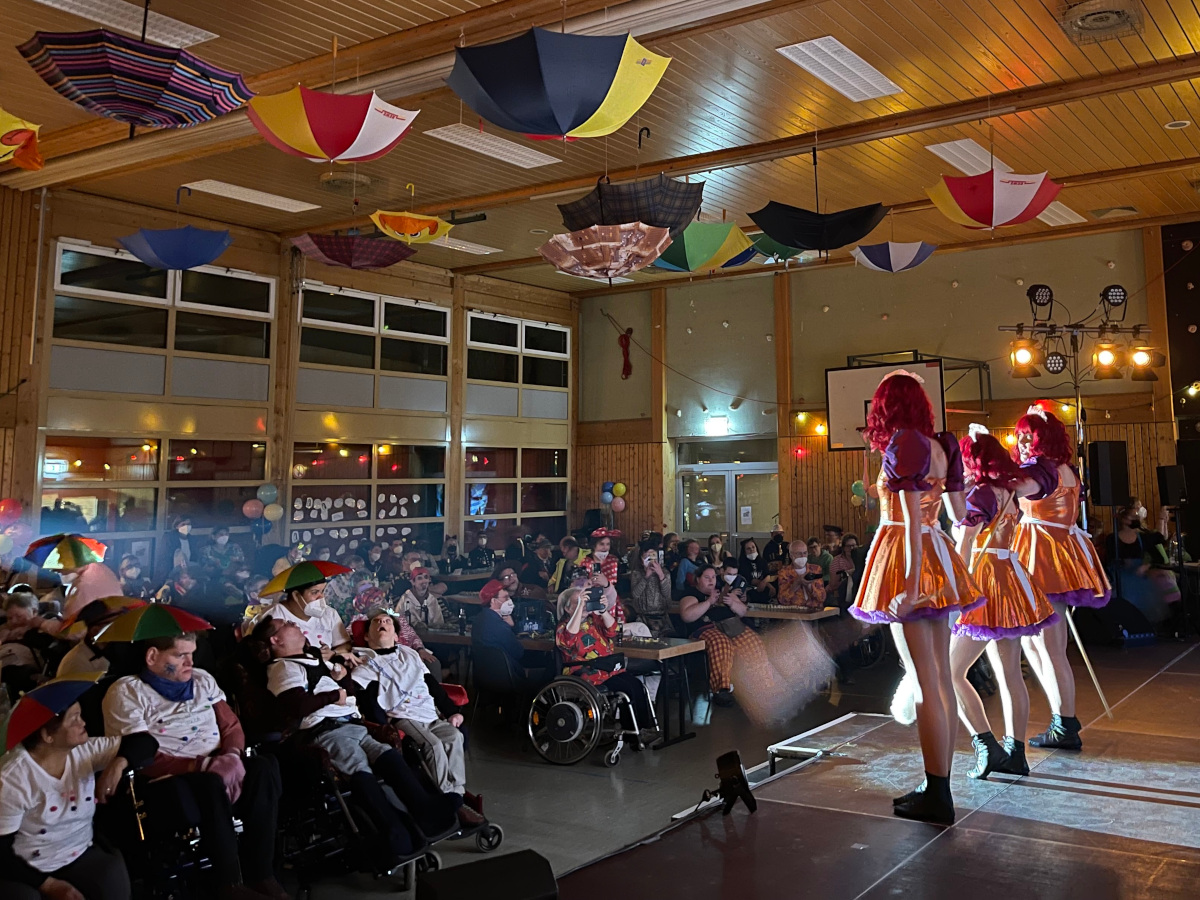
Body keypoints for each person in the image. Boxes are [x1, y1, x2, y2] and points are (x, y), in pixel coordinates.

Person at [849, 370, 980, 825]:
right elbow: (964, 515)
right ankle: (936, 783)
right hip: (937, 552)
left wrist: (908, 590)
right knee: (939, 678)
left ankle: (937, 791)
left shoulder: (904, 444)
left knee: (928, 682)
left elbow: (906, 523)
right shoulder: (944, 445)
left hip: (910, 556)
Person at [251, 617, 472, 870]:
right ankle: (392, 828)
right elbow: (297, 704)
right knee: (359, 768)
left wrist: (341, 676)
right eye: (285, 624)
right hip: (325, 732)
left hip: (352, 724)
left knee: (388, 756)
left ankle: (425, 809)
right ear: (275, 639)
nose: (293, 624)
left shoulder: (312, 658)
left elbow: (347, 693)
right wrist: (336, 694)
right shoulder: (283, 668)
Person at [102, 632, 286, 900]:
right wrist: (204, 765)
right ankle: (229, 884)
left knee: (263, 766)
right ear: (152, 656)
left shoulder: (202, 679)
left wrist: (232, 756)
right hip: (168, 778)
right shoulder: (127, 691)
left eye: (192, 653)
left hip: (219, 764)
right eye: (180, 655)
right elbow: (140, 753)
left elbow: (230, 725)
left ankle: (261, 874)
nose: (190, 661)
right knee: (208, 782)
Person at [949, 426, 1058, 781]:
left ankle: (985, 743)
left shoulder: (981, 493)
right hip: (1010, 577)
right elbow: (1046, 477)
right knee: (1010, 673)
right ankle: (1015, 752)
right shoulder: (1010, 490)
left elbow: (965, 541)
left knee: (950, 673)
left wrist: (959, 589)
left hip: (984, 580)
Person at [1011, 405, 1111, 752]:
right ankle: (1062, 718)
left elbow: (1008, 489)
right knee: (1037, 644)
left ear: (1043, 439)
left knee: (1049, 647)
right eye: (1020, 436)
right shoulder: (1065, 469)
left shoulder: (1042, 473)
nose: (1022, 442)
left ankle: (1065, 722)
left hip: (1042, 557)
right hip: (1054, 553)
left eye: (1028, 437)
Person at [0, 698, 157, 900]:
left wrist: (117, 764)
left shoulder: (84, 751)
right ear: (47, 735)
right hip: (26, 866)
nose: (83, 723)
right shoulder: (13, 779)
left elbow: (146, 743)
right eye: (74, 719)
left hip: (78, 850)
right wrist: (48, 885)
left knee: (112, 883)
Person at [352, 610, 467, 796]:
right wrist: (383, 726)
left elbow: (431, 684)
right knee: (434, 746)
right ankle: (445, 795)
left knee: (455, 737)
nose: (382, 621)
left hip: (429, 712)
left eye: (388, 621)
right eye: (376, 621)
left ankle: (458, 791)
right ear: (366, 636)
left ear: (397, 635)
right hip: (404, 716)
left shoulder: (410, 654)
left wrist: (452, 711)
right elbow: (368, 702)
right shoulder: (365, 665)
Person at [556, 585, 655, 735]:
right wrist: (580, 608)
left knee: (636, 686)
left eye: (584, 600)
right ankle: (634, 733)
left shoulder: (593, 621)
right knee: (626, 690)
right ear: (567, 609)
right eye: (577, 602)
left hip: (608, 669)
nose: (583, 604)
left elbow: (614, 631)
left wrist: (603, 610)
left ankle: (644, 728)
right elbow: (569, 638)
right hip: (587, 673)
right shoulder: (563, 628)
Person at [679, 564, 773, 708]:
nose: (711, 580)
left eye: (713, 577)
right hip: (706, 629)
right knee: (721, 644)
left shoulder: (723, 592)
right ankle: (722, 689)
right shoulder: (691, 594)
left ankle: (763, 683)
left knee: (753, 641)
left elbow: (743, 611)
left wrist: (733, 603)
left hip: (731, 626)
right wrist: (709, 602)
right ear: (698, 579)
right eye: (706, 577)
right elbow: (687, 616)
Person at [250, 568, 353, 661]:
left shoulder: (329, 614)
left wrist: (333, 653)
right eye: (314, 592)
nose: (321, 597)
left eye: (323, 591)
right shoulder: (271, 617)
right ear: (296, 595)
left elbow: (345, 644)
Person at [1105, 500, 1179, 625]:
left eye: (1136, 517)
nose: (1136, 519)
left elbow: (1160, 541)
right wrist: (1122, 564)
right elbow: (1109, 559)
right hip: (1120, 575)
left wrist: (1146, 566)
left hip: (1139, 575)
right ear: (1124, 520)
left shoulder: (1143, 538)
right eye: (1133, 517)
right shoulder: (1113, 538)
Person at [471, 579, 550, 688]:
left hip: (484, 677)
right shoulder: (499, 625)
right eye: (505, 598)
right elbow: (518, 652)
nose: (509, 601)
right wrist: (509, 627)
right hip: (506, 677)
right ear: (493, 601)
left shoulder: (479, 619)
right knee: (546, 666)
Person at [628, 540, 674, 638]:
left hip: (662, 616)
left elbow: (667, 594)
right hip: (643, 616)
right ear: (641, 559)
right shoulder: (637, 574)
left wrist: (661, 575)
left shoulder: (665, 573)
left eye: (652, 557)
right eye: (647, 557)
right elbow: (635, 595)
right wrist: (646, 577)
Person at [776, 541, 827, 610]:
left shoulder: (816, 569)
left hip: (815, 612)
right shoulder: (784, 573)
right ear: (791, 556)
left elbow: (822, 597)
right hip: (794, 613)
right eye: (799, 553)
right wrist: (796, 583)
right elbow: (782, 600)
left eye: (805, 553)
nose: (803, 556)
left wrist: (809, 585)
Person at [828, 534, 859, 606]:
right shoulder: (837, 561)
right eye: (848, 546)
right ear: (844, 548)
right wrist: (847, 574)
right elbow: (833, 584)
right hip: (839, 593)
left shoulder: (862, 559)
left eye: (854, 545)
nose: (851, 548)